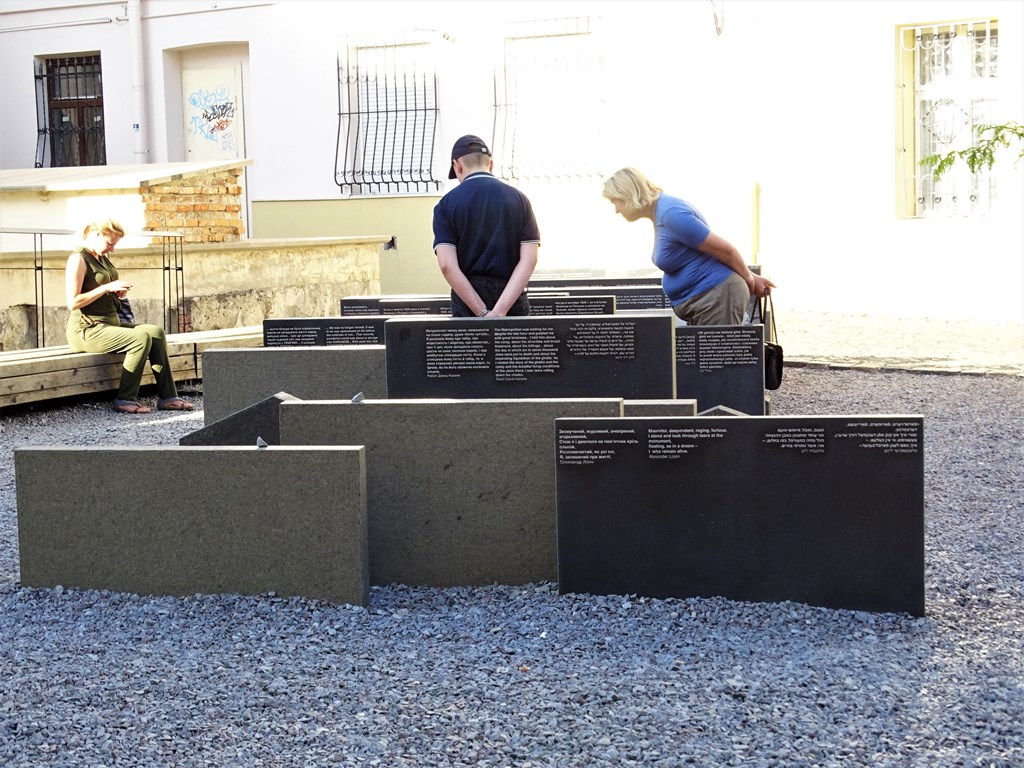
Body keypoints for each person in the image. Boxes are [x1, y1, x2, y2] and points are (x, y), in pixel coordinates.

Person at [602, 167, 775, 325]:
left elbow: (726, 251)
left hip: (716, 298)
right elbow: (709, 253)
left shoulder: (672, 214)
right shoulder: (661, 213)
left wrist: (750, 279)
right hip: (708, 301)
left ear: (629, 194)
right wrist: (751, 274)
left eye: (615, 202)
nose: (616, 210)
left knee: (715, 358)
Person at [65, 218, 194, 414]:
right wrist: (106, 287)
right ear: (96, 234)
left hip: (110, 325)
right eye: (110, 244)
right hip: (87, 330)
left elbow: (101, 289)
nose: (112, 249)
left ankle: (168, 397)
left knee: (156, 332)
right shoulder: (78, 259)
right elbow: (72, 302)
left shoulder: (101, 257)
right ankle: (125, 399)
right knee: (140, 338)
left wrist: (115, 292)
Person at [432, 134, 541, 317]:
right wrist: (500, 311)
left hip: (468, 304)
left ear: (457, 165)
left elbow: (447, 266)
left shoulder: (445, 205)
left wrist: (482, 312)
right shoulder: (520, 200)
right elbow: (529, 259)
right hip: (512, 300)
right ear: (490, 165)